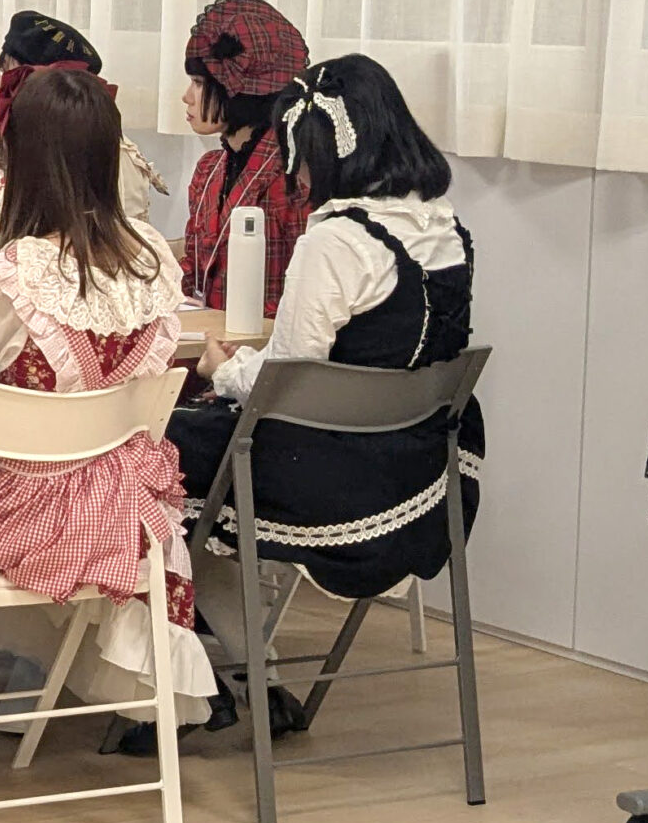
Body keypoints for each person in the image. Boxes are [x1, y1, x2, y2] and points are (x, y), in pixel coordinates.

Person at [0, 68, 214, 721]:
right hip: (121, 513)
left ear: (22, 159)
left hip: (24, 514)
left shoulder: (9, 279)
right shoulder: (152, 265)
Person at [169, 54, 481, 608]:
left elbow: (286, 380)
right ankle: (223, 637)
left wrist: (225, 368)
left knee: (147, 446)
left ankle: (205, 639)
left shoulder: (336, 241)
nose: (299, 176)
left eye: (302, 158)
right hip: (422, 471)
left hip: (335, 483)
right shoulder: (443, 225)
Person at [0, 10, 166, 242]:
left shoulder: (106, 153)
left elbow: (113, 241)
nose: (0, 82)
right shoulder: (17, 144)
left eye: (8, 73)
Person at [179, 0, 311, 317]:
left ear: (238, 90)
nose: (186, 97)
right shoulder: (209, 169)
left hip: (264, 340)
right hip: (204, 332)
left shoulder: (292, 177)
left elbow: (303, 291)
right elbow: (193, 268)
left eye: (199, 84)